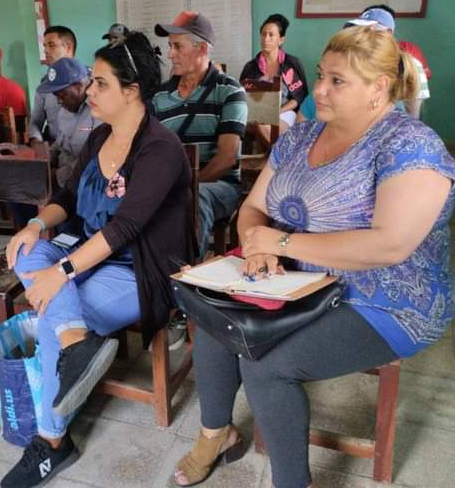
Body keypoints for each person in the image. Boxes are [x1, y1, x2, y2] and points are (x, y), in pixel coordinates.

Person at [176, 26, 454, 488]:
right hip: (299, 277)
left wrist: (279, 245)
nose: (318, 90)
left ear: (378, 88)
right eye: (321, 76)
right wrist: (256, 243)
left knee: (267, 366)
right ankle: (215, 434)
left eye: (337, 81)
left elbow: (390, 245)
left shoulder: (409, 145)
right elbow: (253, 208)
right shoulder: (301, 138)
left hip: (385, 299)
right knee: (215, 322)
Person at [2, 32, 195, 488]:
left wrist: (61, 272)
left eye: (101, 83)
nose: (88, 90)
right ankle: (77, 343)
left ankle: (52, 442)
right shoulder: (101, 137)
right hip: (88, 256)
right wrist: (35, 226)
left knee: (49, 308)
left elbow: (125, 228)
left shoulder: (160, 150)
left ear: (132, 91)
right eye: (91, 81)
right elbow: (66, 198)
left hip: (141, 271)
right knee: (28, 252)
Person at [152, 11, 247, 260]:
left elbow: (227, 158)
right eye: (169, 46)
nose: (170, 54)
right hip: (171, 183)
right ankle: (150, 273)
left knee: (194, 198)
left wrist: (186, 185)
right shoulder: (160, 96)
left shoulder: (229, 91)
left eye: (177, 46)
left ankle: (188, 277)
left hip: (218, 186)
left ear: (202, 48)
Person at [345, 5, 430, 119]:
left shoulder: (409, 65)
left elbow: (412, 118)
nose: (360, 36)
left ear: (388, 33)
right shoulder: (350, 60)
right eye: (357, 30)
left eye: (367, 31)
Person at [240, 13, 308, 142]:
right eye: (263, 34)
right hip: (256, 114)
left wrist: (278, 112)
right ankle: (275, 156)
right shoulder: (251, 67)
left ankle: (273, 157)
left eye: (271, 35)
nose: (266, 38)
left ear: (281, 39)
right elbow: (242, 96)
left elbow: (298, 98)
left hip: (284, 112)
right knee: (254, 123)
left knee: (266, 126)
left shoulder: (291, 64)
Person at [34, 57, 99, 189]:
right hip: (58, 173)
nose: (59, 102)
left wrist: (55, 176)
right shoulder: (67, 108)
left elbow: (92, 161)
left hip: (81, 182)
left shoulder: (99, 111)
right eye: (56, 96)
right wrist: (44, 160)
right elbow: (60, 142)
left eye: (62, 96)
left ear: (80, 87)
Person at [27, 25, 78, 145]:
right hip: (52, 146)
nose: (45, 50)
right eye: (44, 46)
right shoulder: (45, 85)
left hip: (80, 148)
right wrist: (36, 142)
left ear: (69, 47)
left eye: (51, 45)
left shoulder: (87, 82)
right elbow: (35, 121)